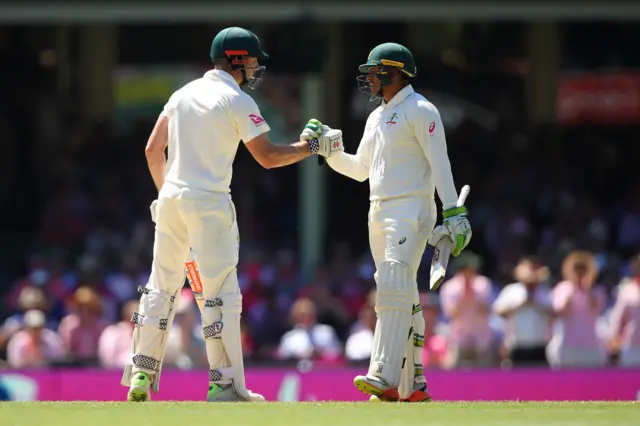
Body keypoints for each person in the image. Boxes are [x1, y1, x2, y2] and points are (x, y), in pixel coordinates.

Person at [122, 26, 343, 403]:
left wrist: (166, 195)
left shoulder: (181, 94)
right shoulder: (236, 99)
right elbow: (268, 157)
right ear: (237, 60)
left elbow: (151, 150)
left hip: (172, 200)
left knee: (161, 286)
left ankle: (141, 374)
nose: (257, 68)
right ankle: (224, 385)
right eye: (253, 60)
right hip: (209, 203)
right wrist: (311, 148)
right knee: (218, 293)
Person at [303, 43, 472, 402]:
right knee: (403, 294)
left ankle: (382, 374)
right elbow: (360, 170)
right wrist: (327, 150)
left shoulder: (420, 109)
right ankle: (414, 386)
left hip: (411, 208)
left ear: (395, 72)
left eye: (375, 71)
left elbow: (440, 163)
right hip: (378, 209)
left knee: (394, 285)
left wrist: (453, 212)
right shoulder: (376, 116)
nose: (369, 78)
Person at [493, 257, 554, 367]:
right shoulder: (511, 291)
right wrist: (520, 305)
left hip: (541, 347)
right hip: (517, 347)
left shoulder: (545, 291)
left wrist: (537, 304)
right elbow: (499, 311)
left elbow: (554, 314)